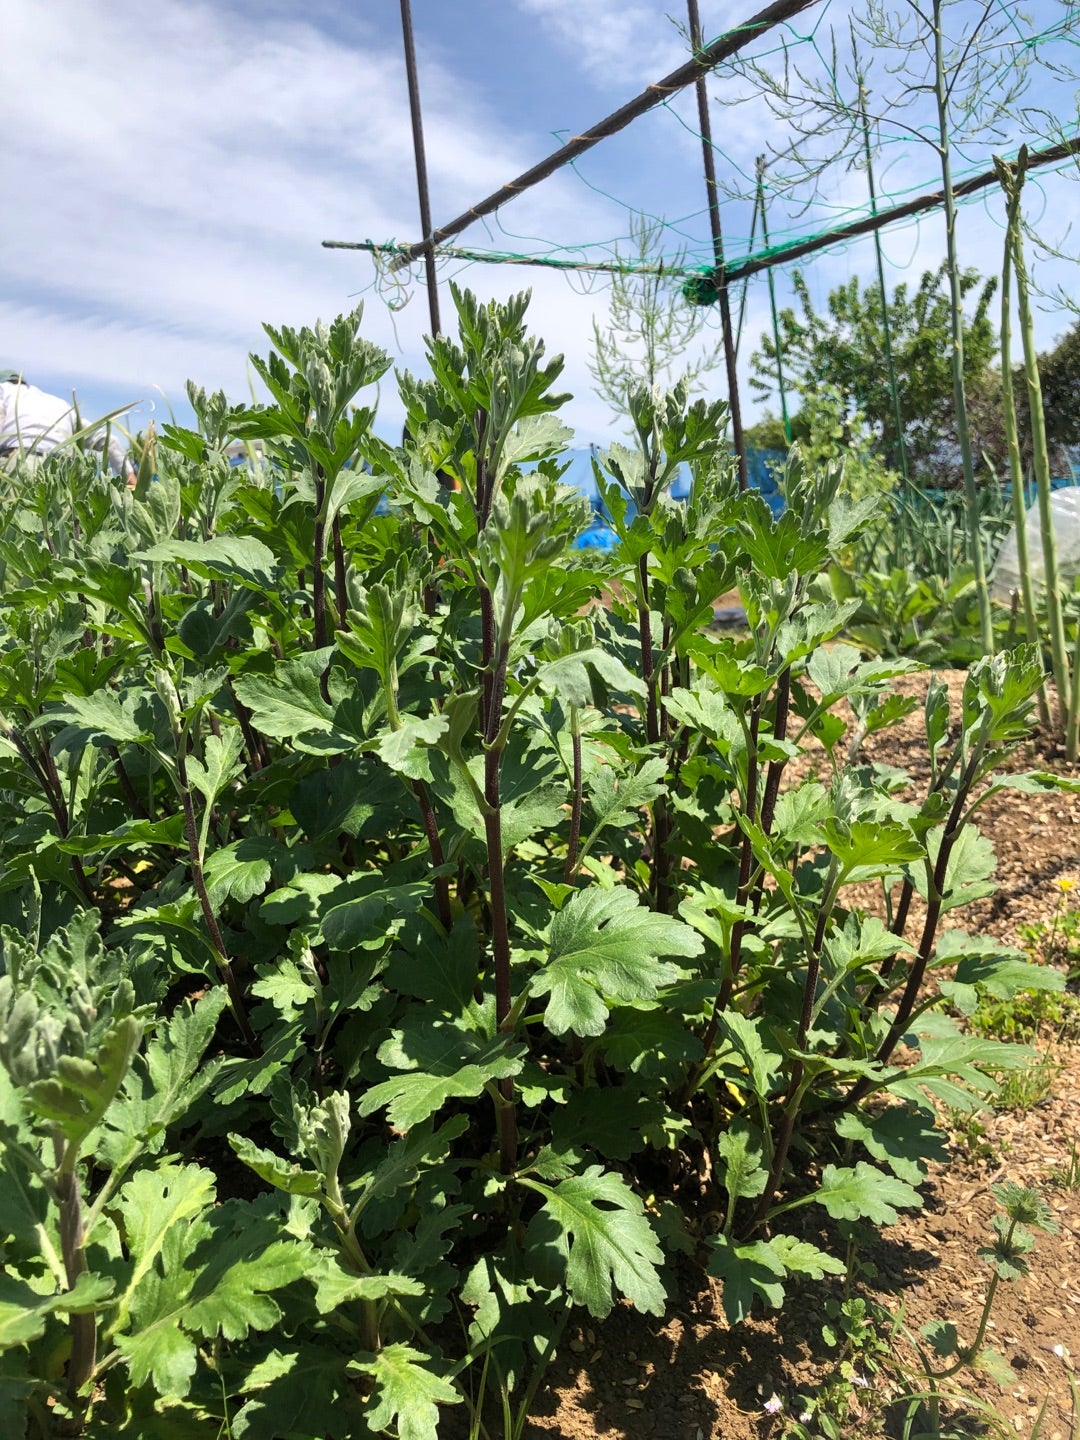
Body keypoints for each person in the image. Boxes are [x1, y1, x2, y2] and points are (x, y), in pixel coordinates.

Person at [0, 369, 134, 482]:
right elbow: (109, 440)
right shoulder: (60, 404)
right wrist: (130, 478)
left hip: (18, 465)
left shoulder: (4, 390)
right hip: (62, 472)